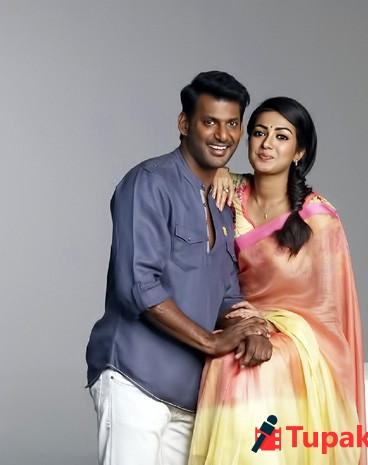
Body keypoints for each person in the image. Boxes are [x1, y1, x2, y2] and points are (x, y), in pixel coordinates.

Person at [85, 71, 272, 465]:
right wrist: (212, 342)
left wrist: (250, 328)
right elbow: (138, 286)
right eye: (210, 122)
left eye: (232, 124)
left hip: (192, 394)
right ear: (185, 124)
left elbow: (226, 292)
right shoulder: (148, 183)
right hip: (135, 378)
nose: (222, 135)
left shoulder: (222, 202)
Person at [188, 97, 366, 465]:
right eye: (259, 133)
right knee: (228, 356)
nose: (267, 144)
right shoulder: (227, 192)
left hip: (303, 337)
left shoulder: (318, 218)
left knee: (257, 364)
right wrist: (217, 171)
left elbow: (328, 308)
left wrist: (271, 326)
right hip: (238, 319)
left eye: (281, 136)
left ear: (299, 152)